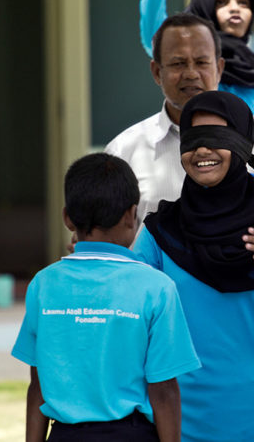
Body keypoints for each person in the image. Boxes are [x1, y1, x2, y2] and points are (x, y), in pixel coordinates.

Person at [132, 91, 254, 441]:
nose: (202, 150)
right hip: (184, 426)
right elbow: (132, 319)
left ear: (243, 143)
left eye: (218, 138)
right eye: (193, 139)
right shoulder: (160, 233)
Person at [105, 12, 254, 241]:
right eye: (178, 63)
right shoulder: (125, 151)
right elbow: (105, 231)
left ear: (219, 68)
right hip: (157, 284)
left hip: (248, 285)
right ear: (157, 72)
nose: (191, 73)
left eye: (201, 62)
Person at [11, 153, 200, 442]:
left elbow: (37, 386)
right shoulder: (157, 288)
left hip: (64, 435)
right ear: (131, 214)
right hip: (133, 434)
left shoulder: (43, 285)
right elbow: (163, 391)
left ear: (67, 218)